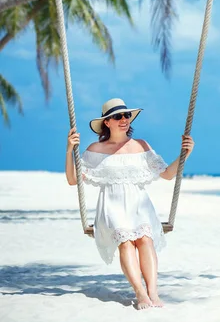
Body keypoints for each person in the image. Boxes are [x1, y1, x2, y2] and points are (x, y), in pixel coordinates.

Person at [64, 98, 194, 310]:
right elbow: (72, 179)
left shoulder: (141, 146)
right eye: (118, 116)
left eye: (126, 116)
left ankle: (153, 291)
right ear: (107, 122)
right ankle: (140, 293)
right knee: (126, 242)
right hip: (111, 205)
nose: (124, 119)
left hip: (138, 204)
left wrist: (185, 154)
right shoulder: (95, 149)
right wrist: (69, 150)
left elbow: (168, 175)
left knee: (145, 240)